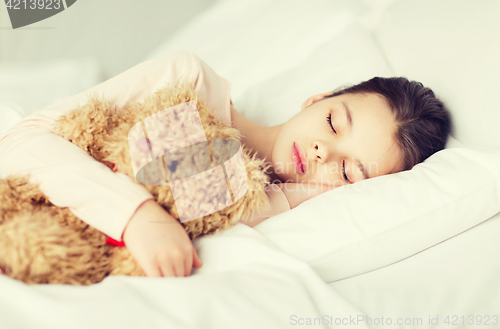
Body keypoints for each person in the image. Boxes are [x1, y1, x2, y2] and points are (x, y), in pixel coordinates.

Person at [0, 51, 451, 280]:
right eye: (333, 122)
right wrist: (137, 215)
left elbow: (216, 202)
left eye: (351, 170)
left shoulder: (263, 203)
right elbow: (23, 143)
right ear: (318, 99)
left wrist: (292, 195)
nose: (322, 153)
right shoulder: (190, 81)